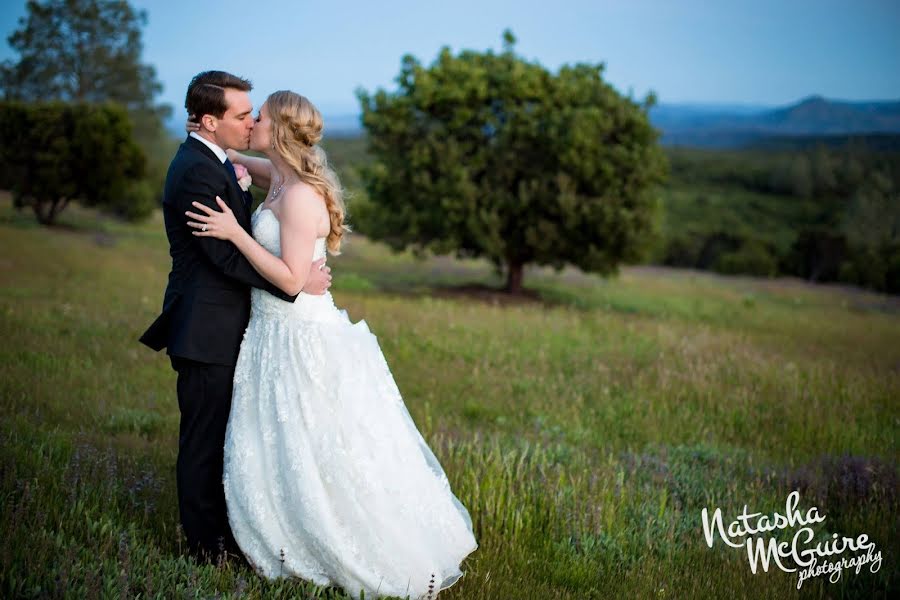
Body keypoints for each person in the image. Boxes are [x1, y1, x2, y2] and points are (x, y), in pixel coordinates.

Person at [183, 90, 477, 599]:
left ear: (281, 132)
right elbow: (239, 157)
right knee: (284, 439)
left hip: (297, 335)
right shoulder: (281, 177)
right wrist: (214, 142)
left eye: (262, 117)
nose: (252, 122)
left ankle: (337, 540)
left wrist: (235, 232)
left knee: (319, 442)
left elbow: (294, 280)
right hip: (272, 331)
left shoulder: (297, 196)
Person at [139, 71, 333, 565]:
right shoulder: (197, 170)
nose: (250, 122)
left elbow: (270, 180)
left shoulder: (219, 161)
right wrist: (296, 282)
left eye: (256, 114)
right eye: (242, 115)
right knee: (204, 442)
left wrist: (247, 176)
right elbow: (220, 257)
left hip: (236, 327)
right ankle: (208, 552)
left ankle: (243, 533)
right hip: (205, 329)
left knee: (234, 437)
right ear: (209, 121)